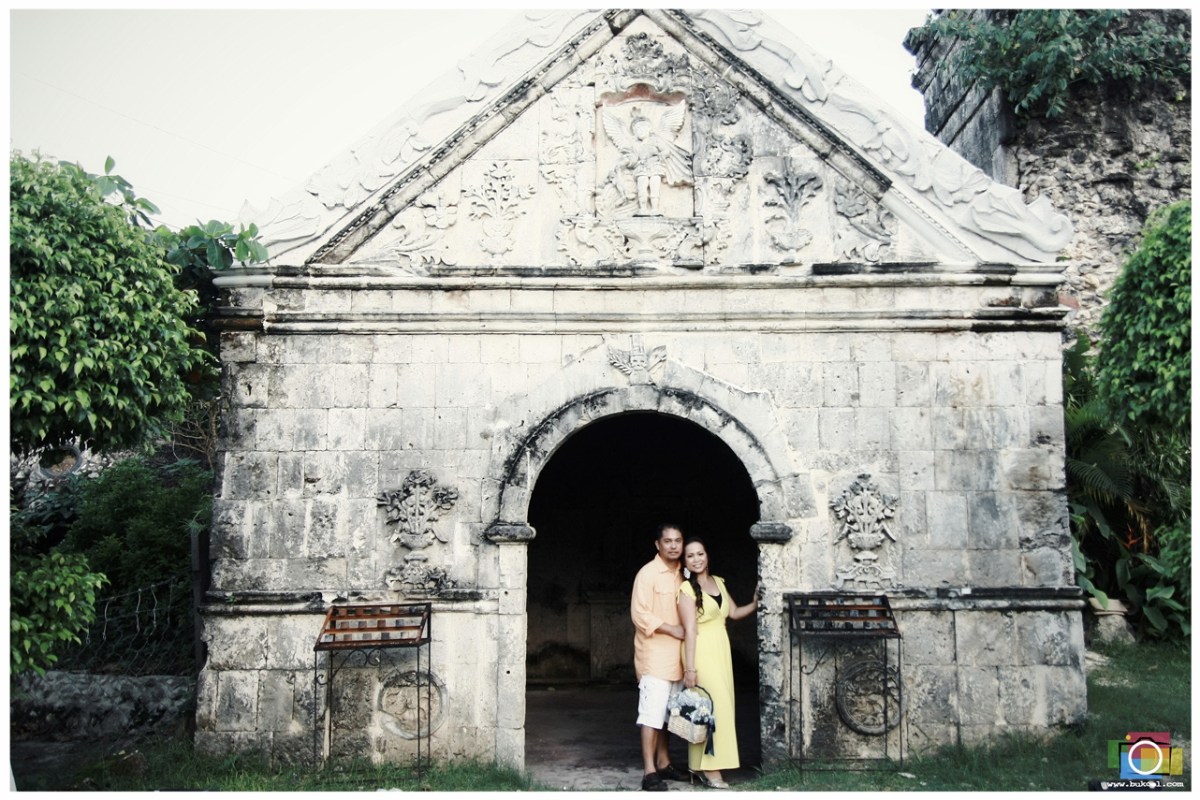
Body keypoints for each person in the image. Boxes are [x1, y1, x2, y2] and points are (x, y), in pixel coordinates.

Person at [678, 538, 759, 789]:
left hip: (720, 650)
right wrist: (690, 669)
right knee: (711, 710)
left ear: (707, 555)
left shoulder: (719, 583)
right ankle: (710, 770)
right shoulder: (686, 590)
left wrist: (756, 603)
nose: (696, 559)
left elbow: (733, 613)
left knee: (723, 708)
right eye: (690, 556)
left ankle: (704, 768)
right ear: (685, 561)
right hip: (700, 651)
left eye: (700, 553)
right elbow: (690, 630)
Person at [630, 523, 690, 791]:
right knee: (651, 716)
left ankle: (664, 763)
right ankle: (649, 772)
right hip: (654, 655)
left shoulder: (683, 574)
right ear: (658, 544)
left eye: (678, 540)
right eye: (668, 541)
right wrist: (672, 629)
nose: (674, 546)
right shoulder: (648, 573)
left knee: (667, 716)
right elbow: (640, 615)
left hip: (677, 657)